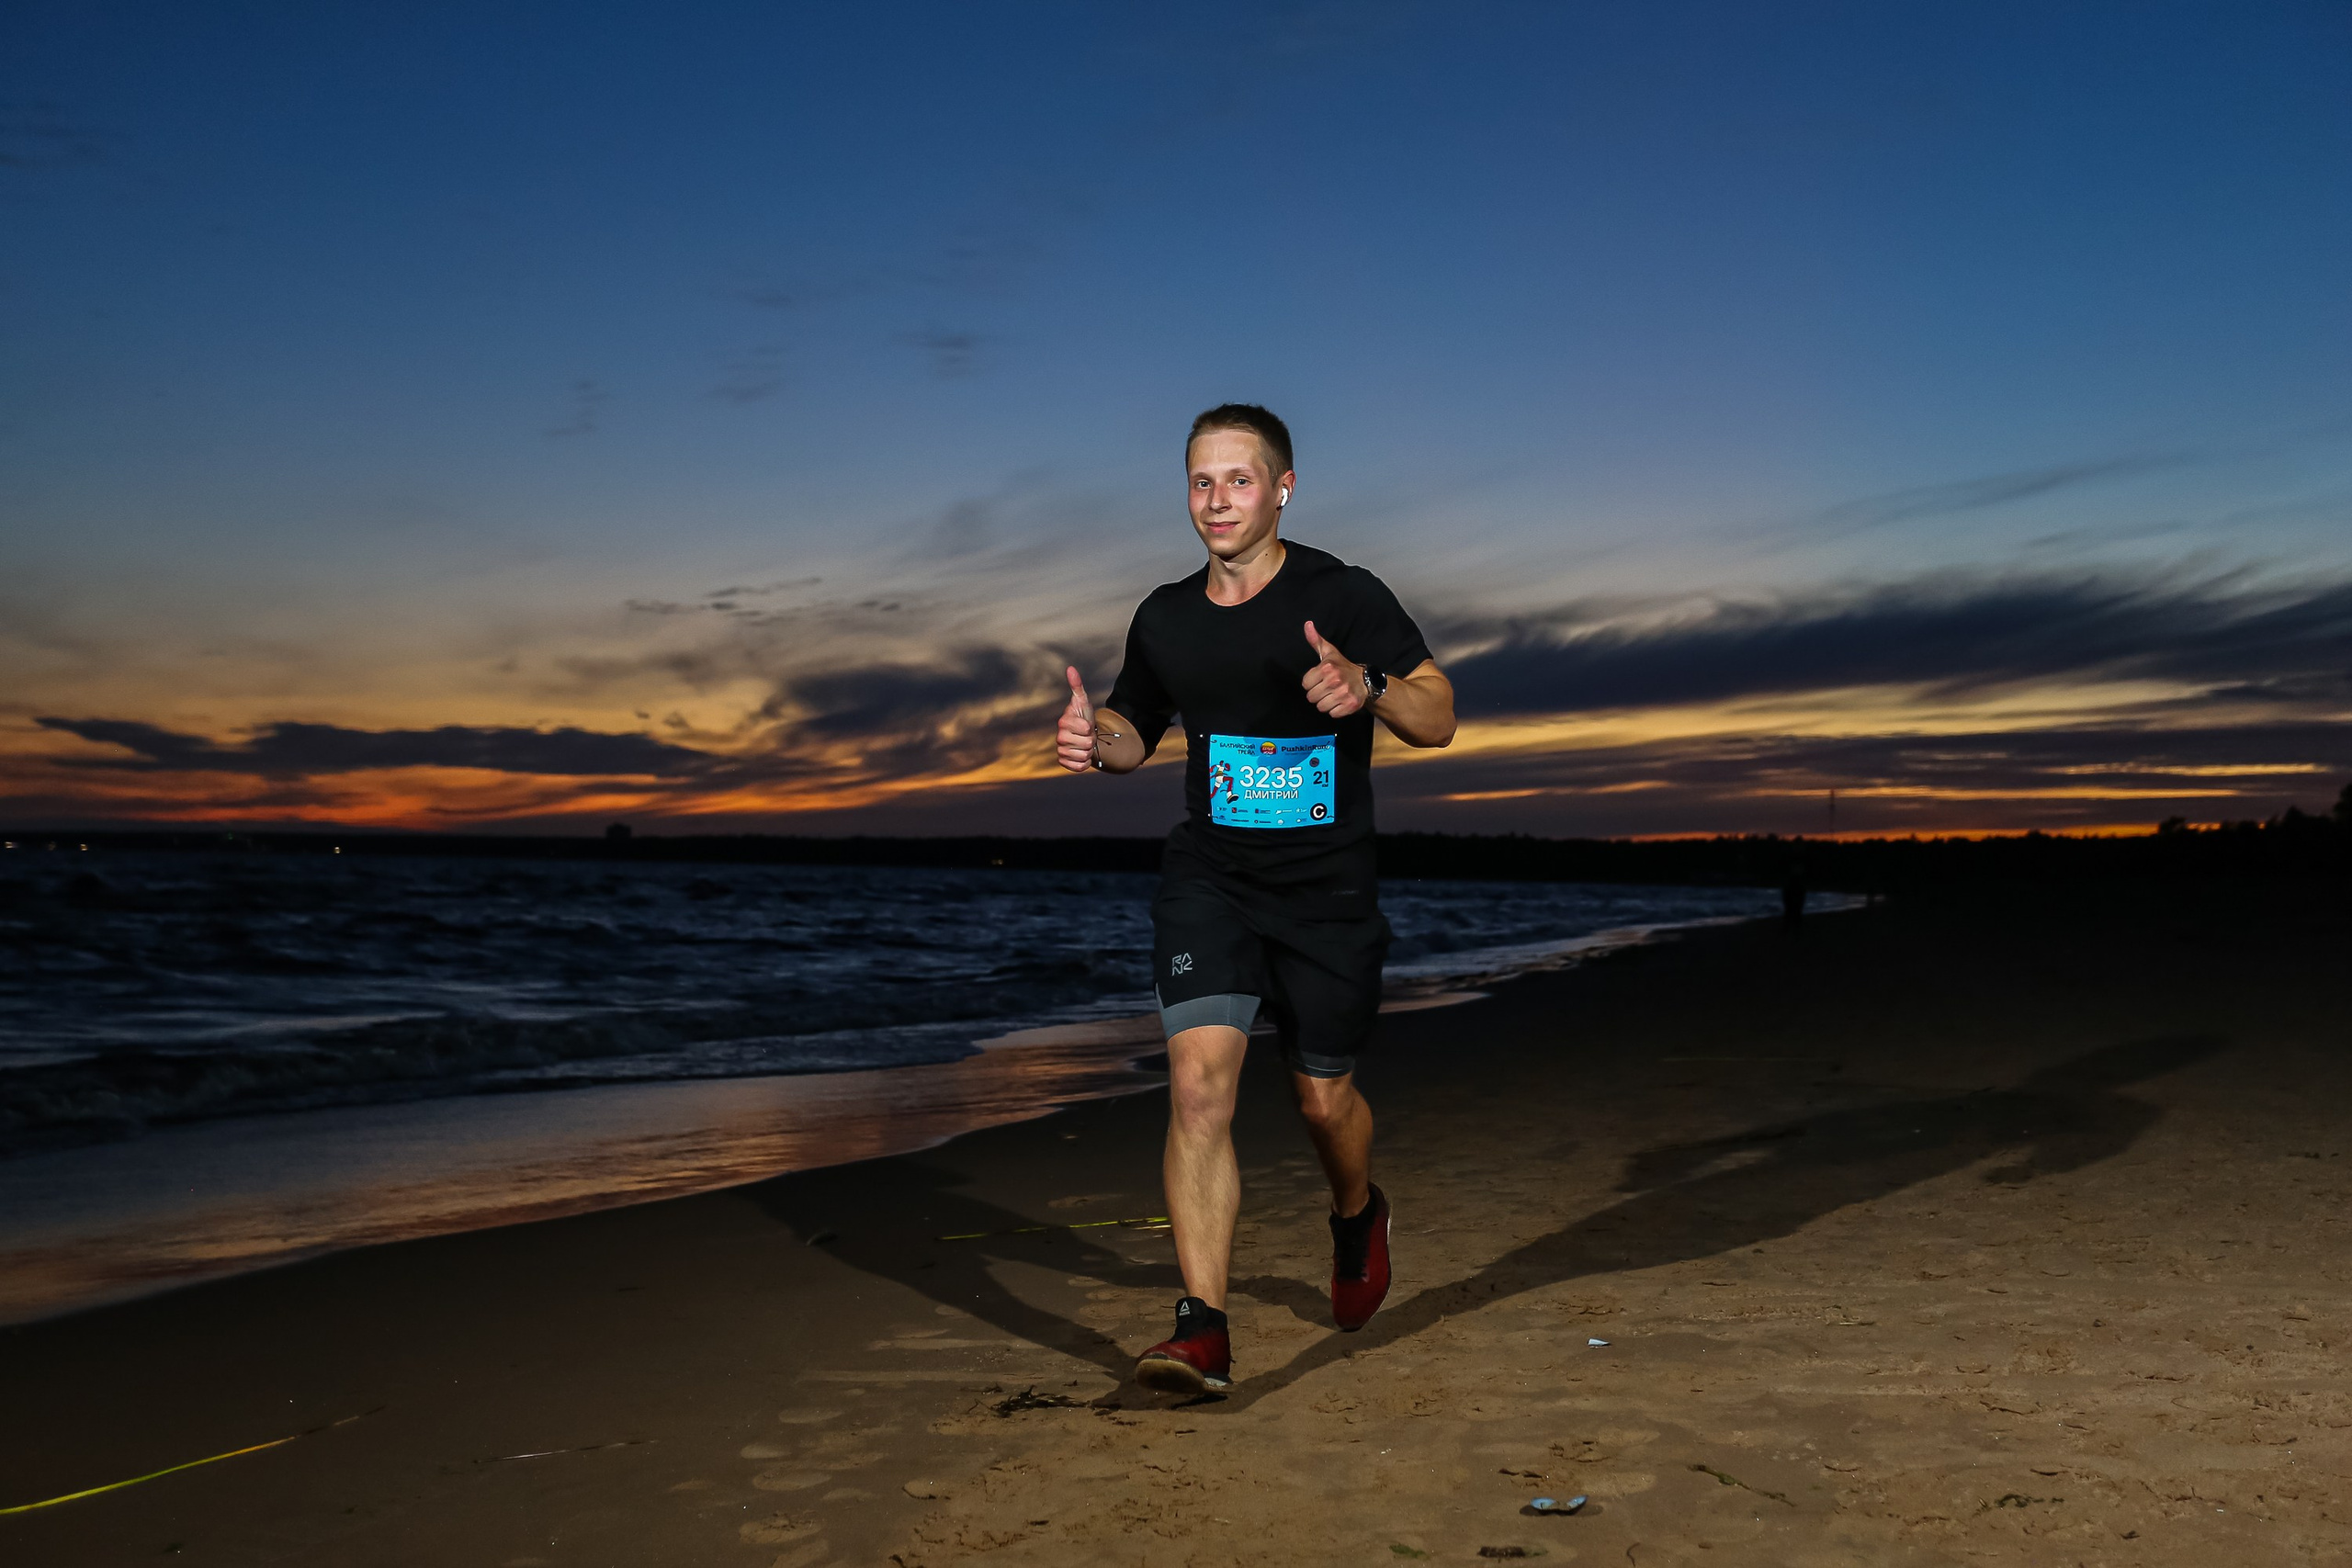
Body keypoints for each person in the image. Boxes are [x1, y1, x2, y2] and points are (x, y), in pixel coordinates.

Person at [1054, 403, 1457, 1393]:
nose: (1217, 500)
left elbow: (1437, 715)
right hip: (1212, 884)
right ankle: (1202, 1329)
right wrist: (1090, 740)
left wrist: (1365, 689)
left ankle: (1358, 1213)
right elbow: (1131, 729)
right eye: (1201, 481)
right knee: (1197, 1087)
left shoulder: (1343, 593)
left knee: (1322, 1101)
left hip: (1327, 894)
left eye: (1240, 479)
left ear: (1282, 487)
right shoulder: (1166, 616)